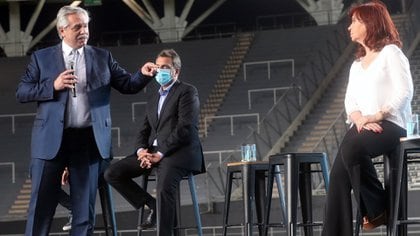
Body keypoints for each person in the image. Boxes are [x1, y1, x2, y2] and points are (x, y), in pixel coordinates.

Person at [16, 5, 152, 235]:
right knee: (40, 208)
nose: (84, 31)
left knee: (84, 212)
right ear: (62, 31)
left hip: (87, 143)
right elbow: (22, 92)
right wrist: (53, 86)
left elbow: (128, 85)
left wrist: (143, 74)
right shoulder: (41, 58)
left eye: (86, 26)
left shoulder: (102, 57)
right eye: (77, 27)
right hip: (50, 142)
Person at [321, 1, 413, 236]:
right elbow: (349, 102)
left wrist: (378, 114)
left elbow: (405, 91)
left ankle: (376, 209)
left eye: (355, 21)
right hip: (363, 125)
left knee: (350, 147)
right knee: (338, 177)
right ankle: (373, 211)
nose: (349, 27)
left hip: (391, 125)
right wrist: (360, 119)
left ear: (370, 23)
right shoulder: (356, 65)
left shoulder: (391, 53)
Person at [104, 49, 206, 235]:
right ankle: (153, 206)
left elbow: (185, 128)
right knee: (112, 173)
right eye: (158, 67)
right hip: (153, 152)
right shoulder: (154, 97)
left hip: (179, 153)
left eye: (165, 67)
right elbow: (144, 129)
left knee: (163, 186)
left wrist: (159, 154)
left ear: (176, 71)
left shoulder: (187, 91)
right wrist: (141, 151)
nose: (160, 71)